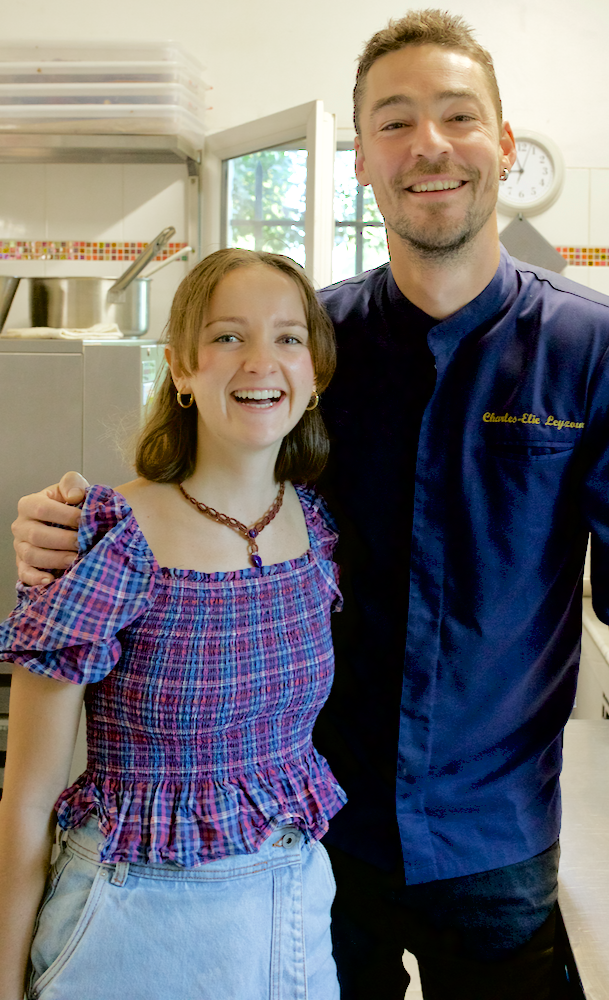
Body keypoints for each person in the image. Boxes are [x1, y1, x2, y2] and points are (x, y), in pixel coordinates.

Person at [11, 10, 609, 1000]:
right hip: (317, 842)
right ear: (361, 162)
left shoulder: (592, 347)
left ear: (502, 143)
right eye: (394, 122)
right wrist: (73, 523)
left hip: (498, 842)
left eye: (458, 115)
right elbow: (204, 492)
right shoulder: (316, 344)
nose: (429, 144)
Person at [0, 248, 344, 1000]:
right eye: (228, 336)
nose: (260, 361)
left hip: (292, 919)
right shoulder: (108, 538)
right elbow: (27, 796)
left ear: (315, 372)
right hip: (132, 926)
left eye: (288, 338)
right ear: (181, 369)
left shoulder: (313, 526)